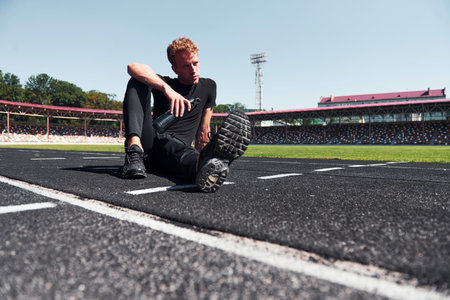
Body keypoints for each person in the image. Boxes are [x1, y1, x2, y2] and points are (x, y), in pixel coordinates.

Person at [122, 37, 251, 192]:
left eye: (195, 63)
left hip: (176, 151)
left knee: (186, 154)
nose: (193, 70)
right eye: (186, 66)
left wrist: (204, 152)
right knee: (138, 81)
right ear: (175, 69)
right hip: (150, 144)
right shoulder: (166, 83)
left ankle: (202, 165)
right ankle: (134, 150)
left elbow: (203, 130)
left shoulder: (209, 87)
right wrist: (166, 88)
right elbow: (132, 66)